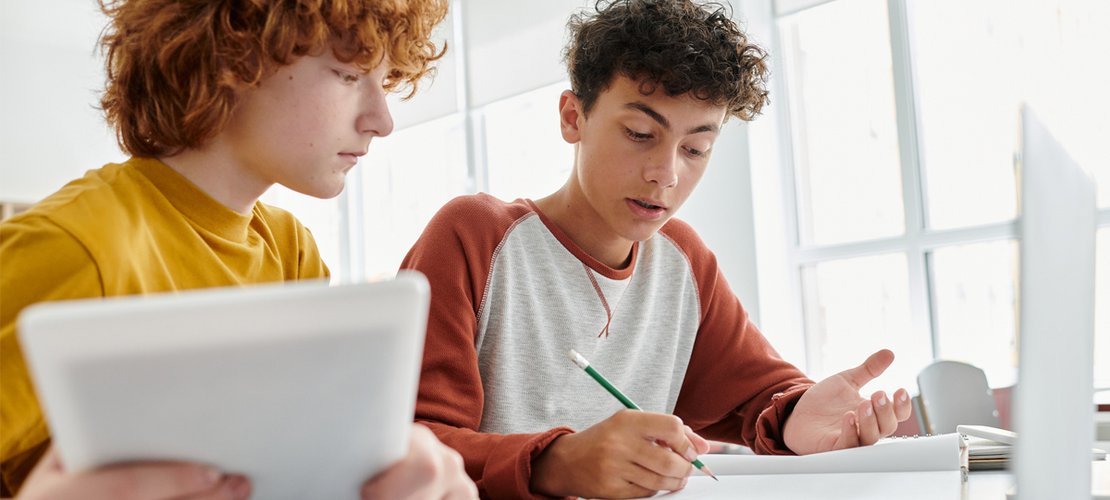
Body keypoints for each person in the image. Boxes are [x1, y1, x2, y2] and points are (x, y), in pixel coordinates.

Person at [400, 0, 913, 498]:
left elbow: (758, 395)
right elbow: (410, 443)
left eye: (696, 149)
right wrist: (557, 463)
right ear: (573, 117)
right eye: (640, 133)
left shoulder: (681, 260)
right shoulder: (473, 237)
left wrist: (798, 417)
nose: (666, 175)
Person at [0, 0, 477, 499]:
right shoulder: (71, 249)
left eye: (385, 79)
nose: (382, 120)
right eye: (347, 73)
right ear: (232, 58)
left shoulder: (292, 251)